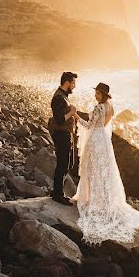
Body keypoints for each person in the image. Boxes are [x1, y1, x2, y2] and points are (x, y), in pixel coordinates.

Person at [72, 82, 139, 245]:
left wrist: (76, 116)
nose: (95, 96)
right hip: (104, 141)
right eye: (96, 93)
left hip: (96, 140)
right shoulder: (110, 107)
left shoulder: (99, 108)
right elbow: (104, 125)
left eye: (98, 93)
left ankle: (92, 201)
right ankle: (104, 199)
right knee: (104, 170)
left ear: (104, 94)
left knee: (93, 170)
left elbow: (89, 126)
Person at [48, 71, 88, 205]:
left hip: (66, 133)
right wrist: (71, 112)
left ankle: (57, 191)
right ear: (67, 83)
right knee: (63, 163)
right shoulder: (58, 98)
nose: (74, 86)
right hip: (61, 134)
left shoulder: (63, 96)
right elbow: (59, 119)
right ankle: (58, 194)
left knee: (69, 163)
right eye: (73, 83)